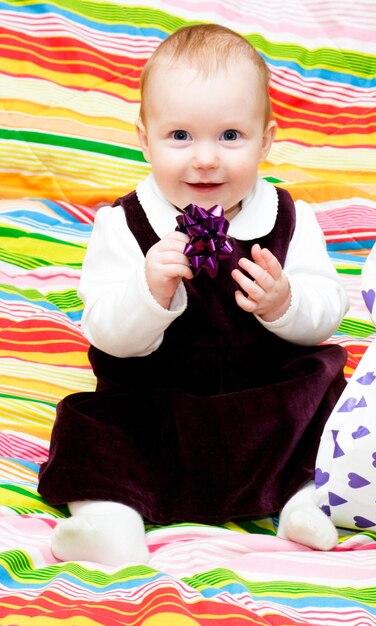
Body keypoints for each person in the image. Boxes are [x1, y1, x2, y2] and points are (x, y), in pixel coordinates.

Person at [38, 23, 348, 566]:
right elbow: (106, 333)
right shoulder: (124, 225)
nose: (205, 159)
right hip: (158, 409)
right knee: (88, 430)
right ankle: (109, 522)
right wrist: (147, 292)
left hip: (267, 404)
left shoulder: (291, 219)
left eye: (230, 136)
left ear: (266, 139)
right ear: (144, 138)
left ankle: (307, 501)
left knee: (330, 400)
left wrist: (286, 303)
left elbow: (328, 312)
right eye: (180, 136)